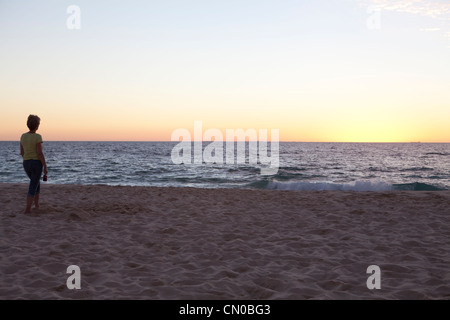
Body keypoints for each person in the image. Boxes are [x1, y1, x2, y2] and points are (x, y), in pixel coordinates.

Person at [20, 115, 48, 213]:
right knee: (33, 184)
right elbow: (39, 153)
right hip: (36, 163)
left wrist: (27, 160)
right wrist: (45, 166)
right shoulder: (37, 137)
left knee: (36, 182)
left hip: (26, 163)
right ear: (37, 126)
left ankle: (36, 205)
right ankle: (28, 209)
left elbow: (22, 152)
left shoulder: (23, 136)